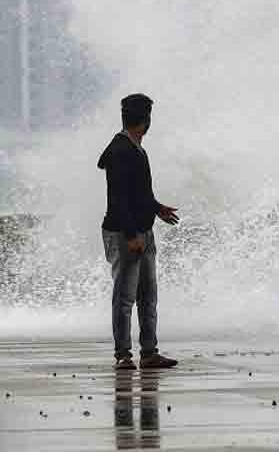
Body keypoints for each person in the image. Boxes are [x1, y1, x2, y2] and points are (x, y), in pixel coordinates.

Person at [98, 93, 181, 370]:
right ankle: (123, 355)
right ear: (146, 121)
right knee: (125, 298)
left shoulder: (134, 148)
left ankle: (149, 353)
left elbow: (138, 193)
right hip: (126, 234)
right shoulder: (121, 150)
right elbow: (118, 199)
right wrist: (132, 235)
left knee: (147, 296)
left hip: (142, 230)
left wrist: (156, 208)